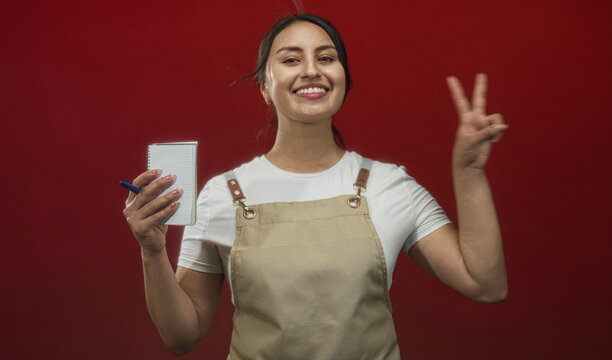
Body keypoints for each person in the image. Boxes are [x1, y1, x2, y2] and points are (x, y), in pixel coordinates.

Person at [122, 13, 508, 359]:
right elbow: (181, 336)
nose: (311, 70)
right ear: (263, 86)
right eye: (291, 59)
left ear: (343, 79)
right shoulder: (220, 195)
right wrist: (152, 252)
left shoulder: (391, 185)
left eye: (326, 58)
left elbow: (484, 282)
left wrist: (469, 172)